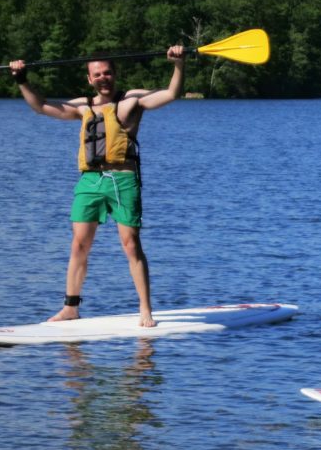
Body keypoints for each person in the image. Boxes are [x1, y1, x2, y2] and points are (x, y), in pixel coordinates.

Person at [9, 47, 187, 327]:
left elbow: (170, 94)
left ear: (115, 74)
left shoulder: (130, 101)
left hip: (123, 180)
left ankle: (145, 310)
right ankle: (70, 308)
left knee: (131, 245)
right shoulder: (84, 107)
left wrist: (178, 65)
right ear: (90, 78)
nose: (103, 78)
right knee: (79, 244)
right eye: (97, 74)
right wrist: (21, 79)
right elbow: (41, 107)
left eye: (107, 72)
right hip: (90, 181)